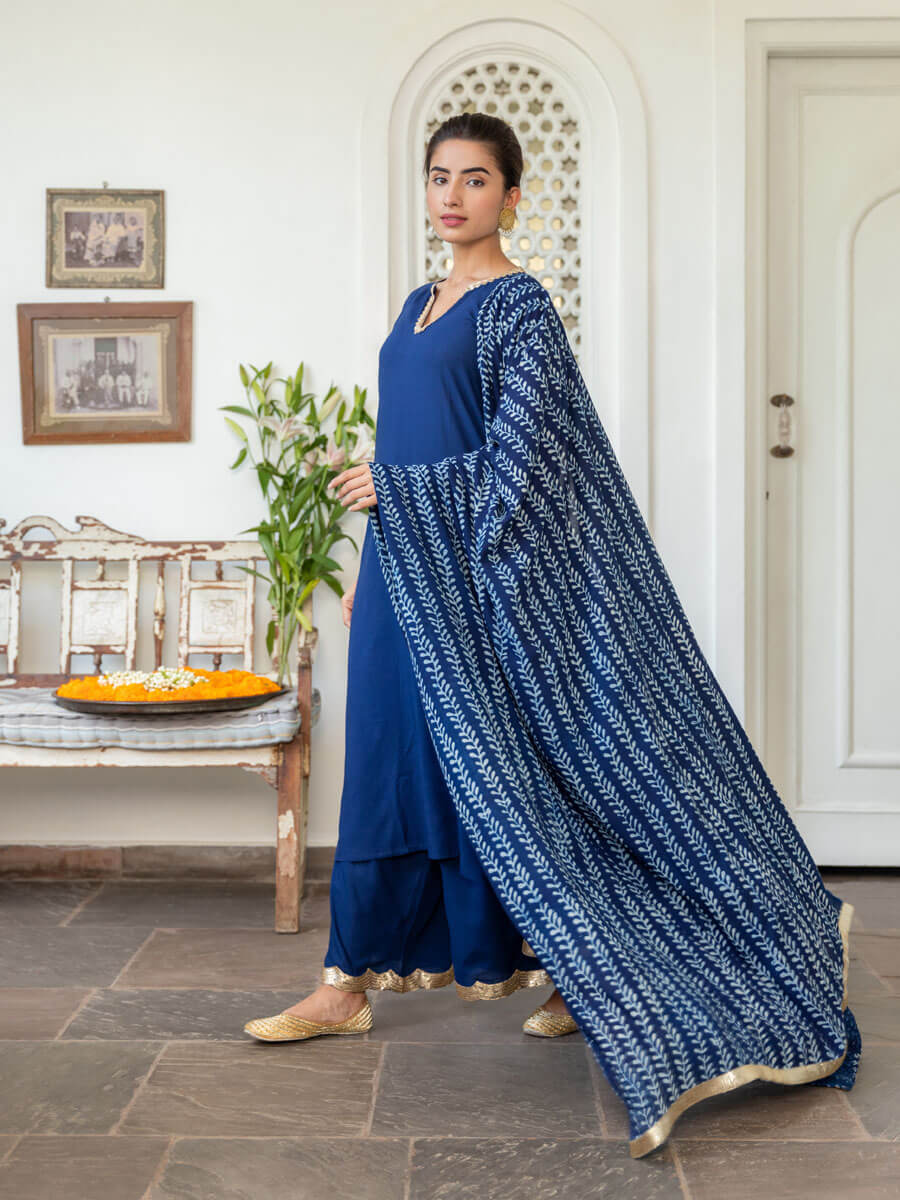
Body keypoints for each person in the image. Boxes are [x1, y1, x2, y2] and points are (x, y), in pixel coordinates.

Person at [244, 113, 860, 1159]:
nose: (452, 196)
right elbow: (408, 444)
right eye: (439, 177)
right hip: (406, 571)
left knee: (519, 775)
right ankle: (346, 983)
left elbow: (532, 461)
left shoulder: (521, 307)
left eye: (475, 180)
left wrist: (399, 494)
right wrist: (378, 561)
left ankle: (583, 969)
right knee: (389, 768)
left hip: (484, 588)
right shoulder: (415, 305)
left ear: (512, 196)